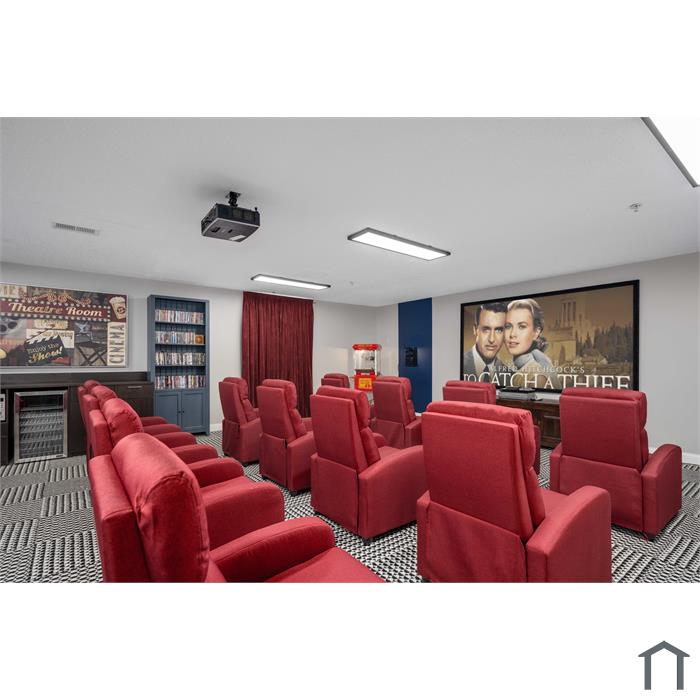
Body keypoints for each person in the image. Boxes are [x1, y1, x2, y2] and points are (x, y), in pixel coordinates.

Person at [504, 298, 561, 389]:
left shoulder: (536, 377)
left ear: (536, 332)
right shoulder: (523, 368)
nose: (512, 334)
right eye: (508, 326)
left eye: (522, 326)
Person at [462, 302, 511, 383]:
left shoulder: (511, 376)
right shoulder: (458, 365)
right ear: (475, 330)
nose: (492, 339)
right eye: (486, 329)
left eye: (499, 330)